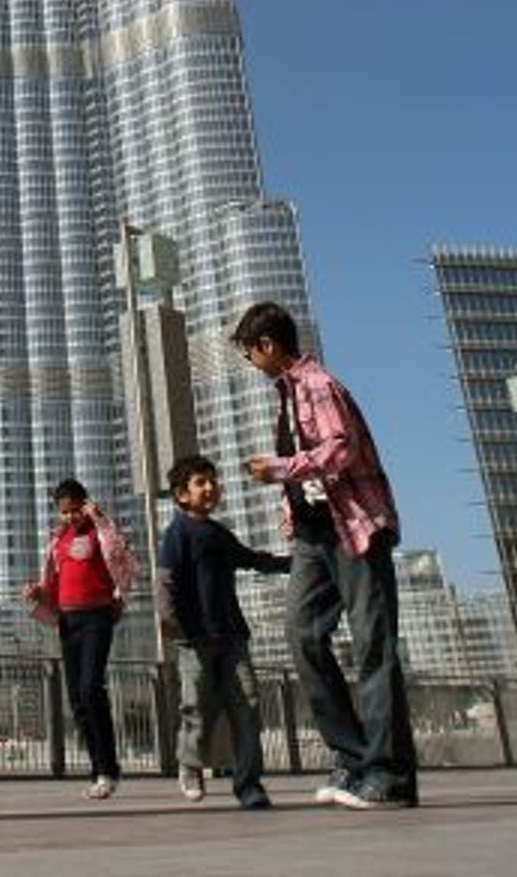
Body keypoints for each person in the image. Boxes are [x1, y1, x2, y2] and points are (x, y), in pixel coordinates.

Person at [232, 300, 418, 809]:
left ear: (267, 346)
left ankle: (389, 774)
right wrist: (290, 507)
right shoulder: (288, 395)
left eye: (251, 353)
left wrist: (280, 469)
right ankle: (353, 757)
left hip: (353, 530)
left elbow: (342, 449)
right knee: (303, 633)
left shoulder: (316, 385)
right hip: (313, 536)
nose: (252, 364)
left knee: (372, 645)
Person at [157, 452, 291, 810]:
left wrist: (293, 563)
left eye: (213, 480)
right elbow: (165, 581)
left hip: (232, 636)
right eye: (200, 482)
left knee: (246, 705)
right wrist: (172, 623)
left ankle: (249, 785)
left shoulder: (220, 534)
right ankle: (190, 763)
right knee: (197, 706)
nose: (210, 487)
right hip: (195, 639)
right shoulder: (177, 533)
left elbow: (252, 559)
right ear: (182, 494)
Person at [23, 478, 136, 800]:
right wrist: (37, 592)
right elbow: (53, 584)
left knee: (90, 687)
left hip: (97, 617)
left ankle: (108, 770)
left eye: (75, 510)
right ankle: (99, 769)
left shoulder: (101, 532)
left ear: (85, 503)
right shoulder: (58, 541)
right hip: (68, 621)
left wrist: (99, 518)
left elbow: (121, 556)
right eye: (65, 512)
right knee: (77, 699)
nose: (71, 517)